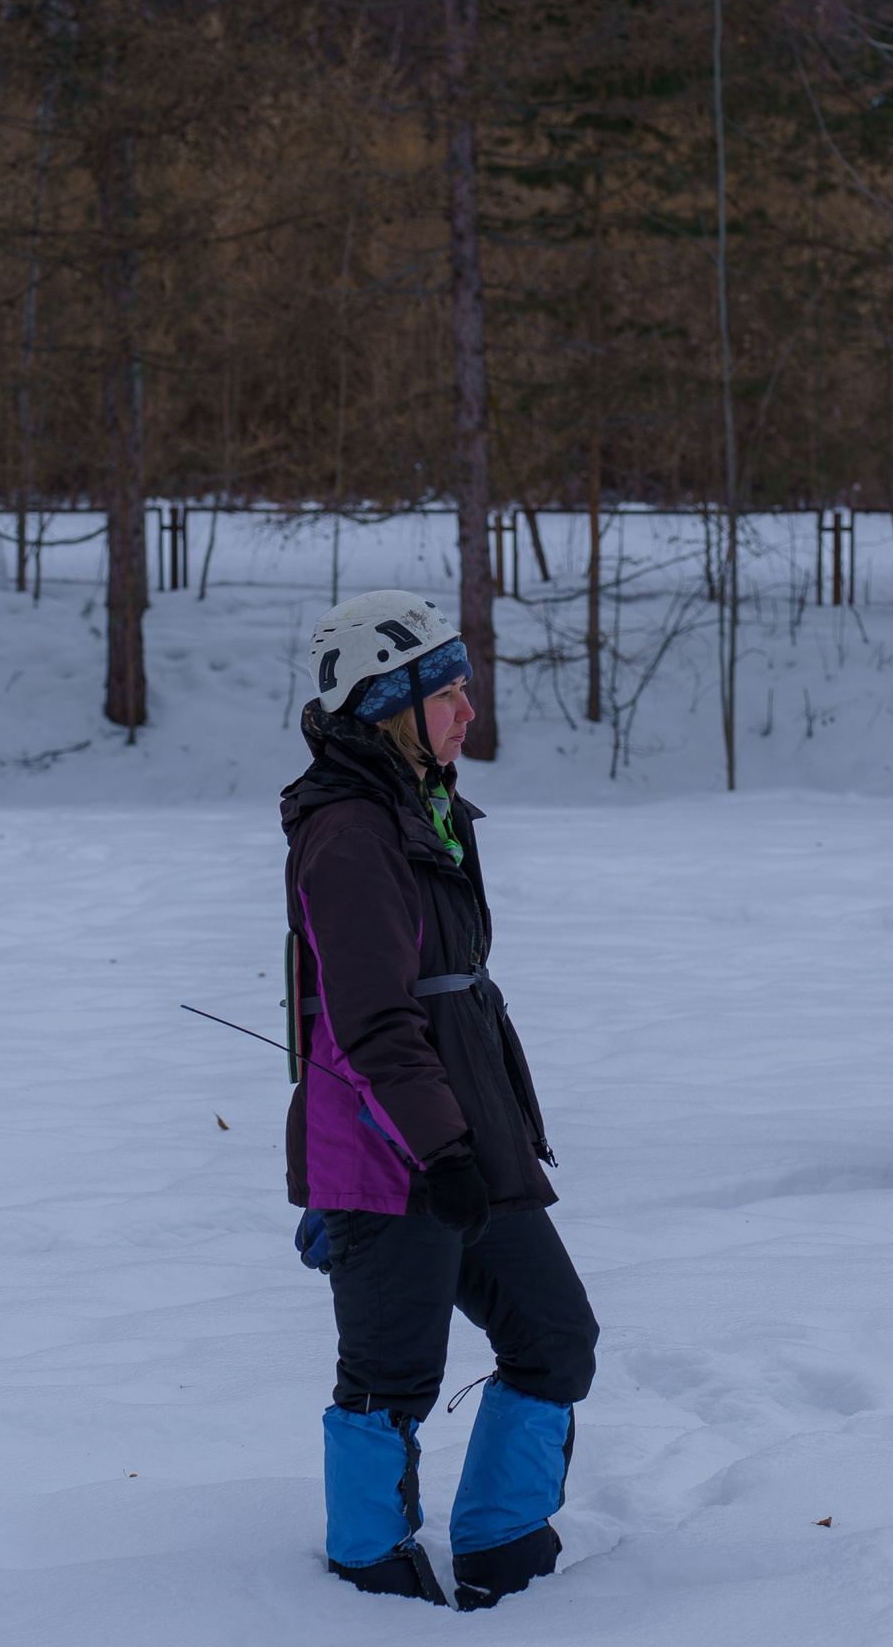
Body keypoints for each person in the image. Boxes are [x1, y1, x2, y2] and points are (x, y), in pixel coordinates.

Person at [281, 590, 597, 1610]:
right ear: (387, 702)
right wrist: (442, 1149)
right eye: (449, 692)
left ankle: (504, 1546)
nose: (469, 711)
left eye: (466, 688)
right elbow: (373, 1021)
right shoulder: (349, 832)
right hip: (388, 1149)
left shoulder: (426, 806)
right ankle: (371, 1580)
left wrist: (477, 1140)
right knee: (389, 1380)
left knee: (555, 1336)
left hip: (468, 1133)